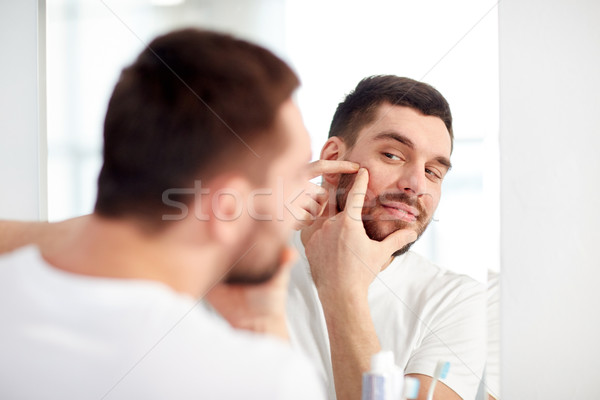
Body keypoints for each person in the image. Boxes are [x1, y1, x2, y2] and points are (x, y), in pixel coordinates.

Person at [0, 28, 339, 399]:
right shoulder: (259, 379)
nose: (309, 192)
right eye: (294, 175)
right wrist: (264, 330)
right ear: (227, 208)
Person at [286, 75, 487, 400]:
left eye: (433, 172)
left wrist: (344, 290)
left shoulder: (457, 302)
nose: (416, 185)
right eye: (393, 155)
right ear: (334, 158)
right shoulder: (235, 262)